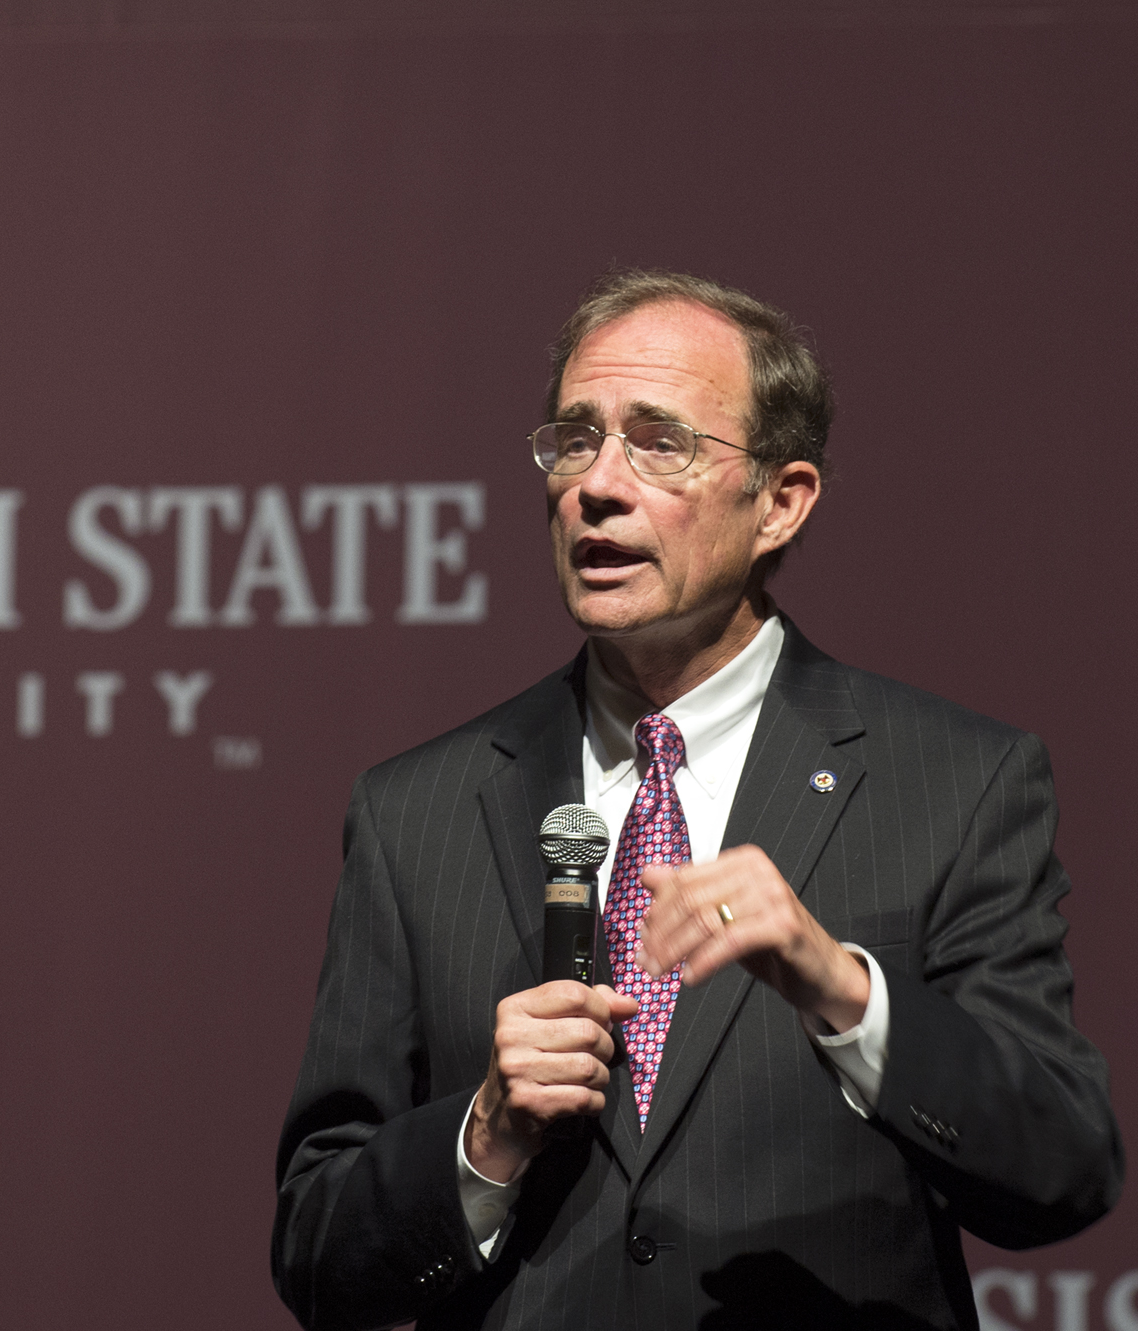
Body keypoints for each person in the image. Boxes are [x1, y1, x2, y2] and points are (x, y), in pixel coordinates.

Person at [271, 270, 1122, 1330]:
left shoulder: (952, 781)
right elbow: (316, 1251)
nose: (596, 484)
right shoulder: (417, 809)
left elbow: (1060, 1170)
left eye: (658, 442)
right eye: (573, 437)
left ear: (779, 501)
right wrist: (482, 1135)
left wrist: (844, 996)